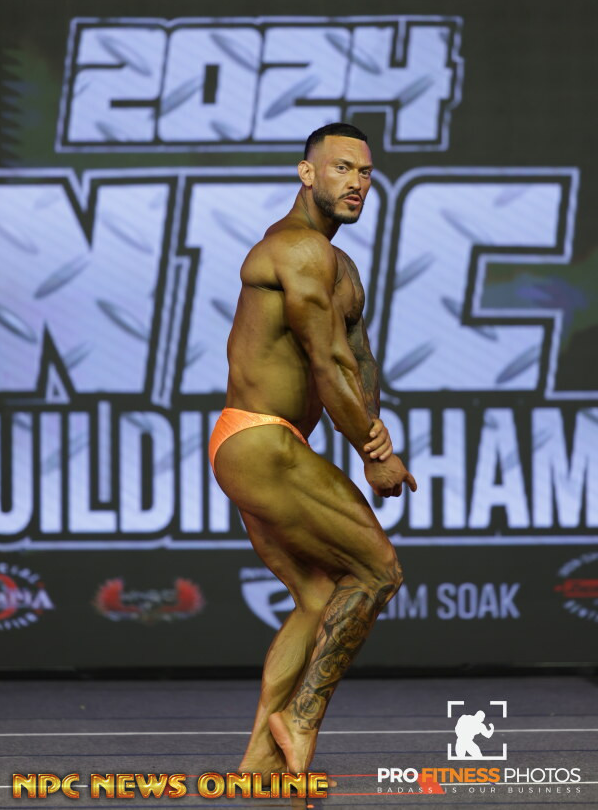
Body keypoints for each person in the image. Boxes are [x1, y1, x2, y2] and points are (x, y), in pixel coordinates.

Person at [209, 122, 417, 780]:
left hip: (263, 442)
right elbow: (327, 363)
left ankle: (258, 762)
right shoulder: (297, 249)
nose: (357, 183)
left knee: (318, 595)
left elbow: (358, 359)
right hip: (261, 437)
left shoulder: (339, 266)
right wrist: (372, 454)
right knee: (379, 572)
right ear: (307, 174)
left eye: (366, 172)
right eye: (342, 168)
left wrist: (373, 429)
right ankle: (300, 719)